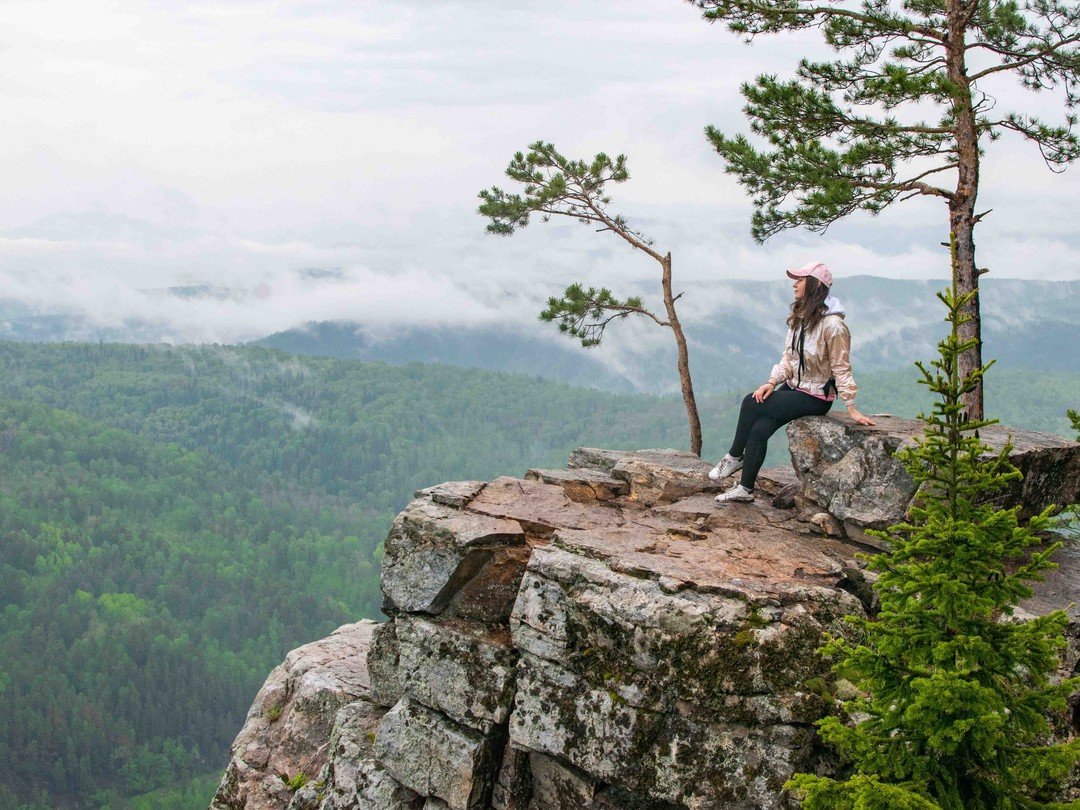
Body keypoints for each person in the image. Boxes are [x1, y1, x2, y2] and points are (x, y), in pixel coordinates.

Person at [711, 261, 875, 504]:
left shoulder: (834, 326)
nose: (794, 284)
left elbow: (841, 365)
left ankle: (735, 456)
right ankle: (745, 490)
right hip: (794, 387)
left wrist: (851, 405)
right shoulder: (801, 319)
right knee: (759, 429)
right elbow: (789, 358)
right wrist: (772, 381)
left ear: (815, 284)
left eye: (800, 279)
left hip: (816, 396)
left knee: (750, 402)